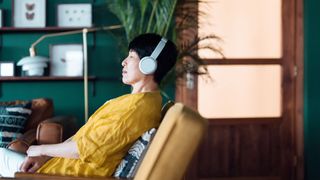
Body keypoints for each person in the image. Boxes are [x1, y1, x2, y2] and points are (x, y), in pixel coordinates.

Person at [0, 33, 178, 177]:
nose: (124, 61)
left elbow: (83, 149)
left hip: (62, 174)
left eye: (131, 56)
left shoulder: (135, 109)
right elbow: (82, 139)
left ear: (148, 64)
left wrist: (38, 149)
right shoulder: (139, 102)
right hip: (56, 167)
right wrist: (44, 156)